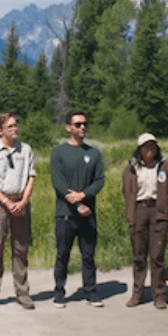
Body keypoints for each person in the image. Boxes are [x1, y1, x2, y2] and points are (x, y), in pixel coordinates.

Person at [0, 112, 36, 311]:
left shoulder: (26, 150)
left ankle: (23, 292)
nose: (15, 129)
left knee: (21, 248)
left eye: (16, 125)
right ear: (0, 130)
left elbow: (30, 176)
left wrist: (24, 200)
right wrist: (5, 201)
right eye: (10, 126)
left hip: (20, 201)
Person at [49, 110, 106, 308]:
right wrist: (76, 203)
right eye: (78, 124)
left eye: (84, 124)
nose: (82, 128)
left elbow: (99, 181)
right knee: (63, 254)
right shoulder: (58, 152)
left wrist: (83, 196)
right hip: (65, 214)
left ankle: (91, 292)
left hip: (88, 214)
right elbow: (58, 182)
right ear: (68, 128)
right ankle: (59, 292)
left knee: (88, 255)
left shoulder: (94, 153)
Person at [121, 133, 168, 310]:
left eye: (153, 146)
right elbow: (126, 190)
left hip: (158, 212)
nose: (150, 149)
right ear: (140, 149)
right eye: (146, 146)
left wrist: (164, 206)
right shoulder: (131, 168)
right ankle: (137, 294)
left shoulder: (165, 167)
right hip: (138, 211)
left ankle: (159, 295)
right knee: (139, 255)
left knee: (157, 256)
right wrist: (132, 210)